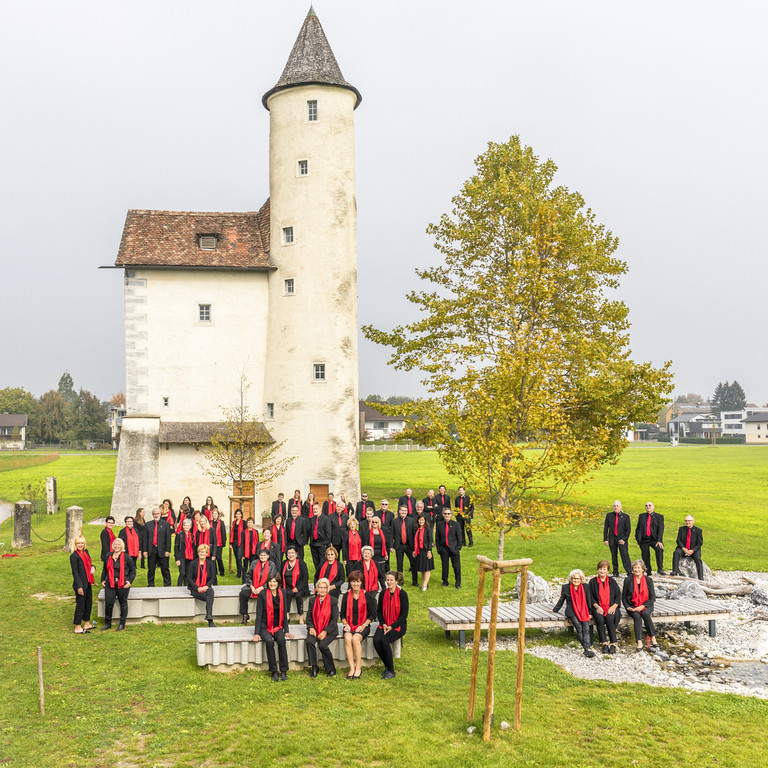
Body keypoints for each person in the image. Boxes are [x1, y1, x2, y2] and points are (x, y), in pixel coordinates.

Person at [252, 573, 294, 681]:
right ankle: (274, 671)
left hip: (278, 625)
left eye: (274, 581)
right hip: (265, 626)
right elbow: (259, 614)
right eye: (270, 581)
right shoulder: (262, 594)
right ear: (267, 583)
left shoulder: (283, 593)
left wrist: (286, 630)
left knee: (281, 640)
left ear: (278, 583)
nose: (272, 583)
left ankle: (283, 671)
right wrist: (256, 633)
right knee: (269, 642)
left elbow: (284, 612)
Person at [551, 569, 596, 658]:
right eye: (574, 579)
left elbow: (589, 600)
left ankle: (587, 648)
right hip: (571, 611)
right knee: (579, 627)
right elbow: (561, 600)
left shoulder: (585, 587)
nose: (576, 580)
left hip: (583, 610)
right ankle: (587, 649)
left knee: (586, 628)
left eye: (578, 579)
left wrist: (590, 612)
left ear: (581, 579)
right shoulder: (566, 588)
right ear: (571, 579)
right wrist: (555, 609)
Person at [341, 570, 376, 679]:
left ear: (361, 582)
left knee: (355, 639)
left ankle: (358, 668)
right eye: (353, 581)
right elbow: (342, 615)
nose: (355, 584)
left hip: (363, 625)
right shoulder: (346, 596)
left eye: (358, 582)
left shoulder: (368, 596)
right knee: (347, 637)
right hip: (350, 624)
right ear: (350, 583)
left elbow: (372, 615)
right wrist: (345, 624)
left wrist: (364, 625)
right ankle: (351, 668)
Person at [374, 571, 409, 679]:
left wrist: (392, 626)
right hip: (384, 623)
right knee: (376, 640)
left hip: (398, 625)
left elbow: (404, 615)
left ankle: (391, 670)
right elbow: (379, 611)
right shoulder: (383, 593)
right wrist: (383, 624)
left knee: (384, 640)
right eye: (387, 580)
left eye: (391, 580)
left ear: (396, 581)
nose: (388, 582)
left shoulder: (403, 594)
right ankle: (387, 666)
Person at [100, 537, 136, 631]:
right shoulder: (108, 556)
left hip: (122, 584)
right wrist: (102, 579)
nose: (116, 546)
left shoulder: (127, 557)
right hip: (110, 583)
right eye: (115, 544)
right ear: (113, 546)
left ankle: (122, 624)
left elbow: (133, 570)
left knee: (123, 603)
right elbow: (105, 569)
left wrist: (130, 581)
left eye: (118, 544)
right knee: (109, 603)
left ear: (121, 546)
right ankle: (107, 623)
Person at [622, 559, 658, 651]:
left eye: (638, 568)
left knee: (645, 614)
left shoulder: (648, 580)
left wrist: (642, 606)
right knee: (637, 617)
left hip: (646, 604)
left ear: (643, 569)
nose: (636, 570)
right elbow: (624, 597)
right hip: (632, 605)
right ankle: (639, 641)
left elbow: (652, 598)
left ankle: (653, 637)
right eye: (635, 568)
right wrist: (627, 607)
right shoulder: (628, 580)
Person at [306, 577, 339, 677]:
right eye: (320, 587)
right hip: (315, 628)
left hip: (329, 630)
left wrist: (325, 631)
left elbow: (334, 620)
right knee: (310, 642)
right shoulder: (312, 601)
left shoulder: (333, 601)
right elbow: (308, 617)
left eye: (325, 587)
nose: (322, 590)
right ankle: (314, 667)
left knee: (322, 645)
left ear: (328, 589)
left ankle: (331, 668)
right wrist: (311, 628)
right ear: (317, 589)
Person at [587, 560, 621, 654]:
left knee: (610, 618)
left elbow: (618, 596)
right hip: (598, 607)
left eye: (604, 569)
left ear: (608, 571)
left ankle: (613, 643)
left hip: (611, 606)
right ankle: (604, 643)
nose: (602, 571)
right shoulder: (593, 582)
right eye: (600, 569)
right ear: (598, 570)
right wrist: (597, 606)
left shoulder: (612, 582)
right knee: (599, 619)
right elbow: (590, 597)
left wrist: (614, 607)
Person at [240, 549, 275, 623]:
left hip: (265, 587)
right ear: (259, 556)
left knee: (264, 596)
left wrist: (261, 588)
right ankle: (245, 615)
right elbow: (248, 575)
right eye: (261, 555)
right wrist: (251, 586)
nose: (262, 557)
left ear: (268, 556)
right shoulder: (254, 563)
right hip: (253, 586)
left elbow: (272, 579)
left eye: (264, 555)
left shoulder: (271, 565)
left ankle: (263, 617)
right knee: (243, 594)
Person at [70, 535, 96, 634]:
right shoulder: (74, 556)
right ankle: (77, 626)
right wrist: (79, 586)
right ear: (75, 545)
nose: (80, 545)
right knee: (80, 605)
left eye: (82, 543)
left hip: (88, 582)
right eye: (78, 543)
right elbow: (75, 573)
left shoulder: (86, 552)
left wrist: (93, 567)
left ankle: (87, 623)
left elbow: (89, 564)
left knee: (88, 603)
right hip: (80, 584)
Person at [187, 544, 217, 627]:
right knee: (210, 597)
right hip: (195, 588)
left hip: (205, 587)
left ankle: (209, 616)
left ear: (207, 553)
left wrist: (206, 586)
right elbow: (189, 578)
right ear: (198, 553)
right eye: (200, 552)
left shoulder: (210, 564)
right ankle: (210, 619)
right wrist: (197, 588)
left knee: (210, 590)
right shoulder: (193, 563)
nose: (202, 554)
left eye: (204, 552)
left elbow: (212, 578)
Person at [603, 500, 632, 576]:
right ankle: (615, 572)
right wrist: (605, 539)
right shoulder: (609, 515)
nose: (616, 507)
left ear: (621, 507)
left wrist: (624, 539)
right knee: (614, 556)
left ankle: (629, 572)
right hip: (612, 539)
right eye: (614, 506)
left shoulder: (625, 516)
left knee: (625, 555)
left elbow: (628, 530)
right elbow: (606, 528)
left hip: (622, 539)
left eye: (617, 506)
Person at [144, 507, 172, 587]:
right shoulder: (148, 525)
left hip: (163, 550)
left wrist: (168, 550)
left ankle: (167, 585)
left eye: (157, 514)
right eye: (154, 514)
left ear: (160, 514)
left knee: (165, 569)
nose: (156, 515)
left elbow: (168, 539)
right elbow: (145, 539)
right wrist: (145, 550)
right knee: (151, 569)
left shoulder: (166, 524)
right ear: (152, 515)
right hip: (151, 550)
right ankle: (150, 585)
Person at [635, 502, 665, 575]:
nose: (648, 507)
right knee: (645, 554)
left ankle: (660, 568)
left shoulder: (659, 517)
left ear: (653, 507)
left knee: (659, 549)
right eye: (646, 506)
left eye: (649, 505)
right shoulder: (641, 516)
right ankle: (648, 570)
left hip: (654, 539)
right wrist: (638, 539)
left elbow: (661, 529)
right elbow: (638, 528)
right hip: (644, 539)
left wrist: (659, 540)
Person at [435, 507, 462, 588]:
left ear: (451, 515)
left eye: (448, 514)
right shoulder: (439, 525)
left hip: (453, 549)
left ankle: (458, 583)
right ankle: (445, 581)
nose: (447, 515)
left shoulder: (456, 524)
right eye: (445, 514)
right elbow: (437, 538)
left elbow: (460, 538)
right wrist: (439, 548)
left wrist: (458, 548)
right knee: (445, 566)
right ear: (443, 515)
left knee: (456, 567)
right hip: (444, 549)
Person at [282, 545, 310, 622]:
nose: (291, 555)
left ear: (296, 554)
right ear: (286, 555)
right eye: (289, 553)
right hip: (288, 586)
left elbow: (305, 577)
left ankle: (300, 616)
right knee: (286, 593)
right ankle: (287, 614)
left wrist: (298, 588)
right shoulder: (284, 563)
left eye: (292, 553)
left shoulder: (301, 563)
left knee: (298, 595)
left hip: (300, 586)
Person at [672, 515, 704, 579]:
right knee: (676, 553)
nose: (687, 522)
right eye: (686, 521)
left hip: (694, 549)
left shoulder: (698, 531)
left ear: (693, 521)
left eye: (689, 521)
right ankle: (675, 571)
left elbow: (700, 542)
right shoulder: (681, 529)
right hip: (683, 548)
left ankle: (701, 577)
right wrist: (683, 548)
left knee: (698, 559)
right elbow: (678, 540)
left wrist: (692, 550)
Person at [392, 505, 417, 586]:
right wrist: (391, 546)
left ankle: (415, 581)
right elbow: (391, 535)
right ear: (399, 511)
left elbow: (414, 534)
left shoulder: (412, 521)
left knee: (413, 563)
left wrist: (415, 547)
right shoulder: (394, 521)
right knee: (399, 565)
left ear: (407, 512)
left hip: (409, 546)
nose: (403, 512)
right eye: (402, 510)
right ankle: (400, 581)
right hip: (399, 545)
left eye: (405, 511)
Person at [411, 513, 434, 591]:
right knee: (422, 568)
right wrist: (414, 550)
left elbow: (430, 540)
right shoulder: (416, 529)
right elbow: (415, 541)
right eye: (420, 520)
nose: (421, 521)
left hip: (426, 550)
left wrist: (429, 551)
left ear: (425, 521)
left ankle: (424, 584)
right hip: (419, 551)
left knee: (427, 568)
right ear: (418, 520)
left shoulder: (428, 529)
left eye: (422, 520)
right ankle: (425, 583)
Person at [367, 516, 389, 588]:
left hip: (381, 554)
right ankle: (373, 587)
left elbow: (384, 544)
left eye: (376, 522)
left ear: (378, 523)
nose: (374, 524)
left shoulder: (382, 532)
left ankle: (384, 588)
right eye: (373, 522)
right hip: (372, 555)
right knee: (372, 572)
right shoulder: (368, 532)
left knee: (382, 573)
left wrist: (386, 553)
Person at [174, 517, 197, 586]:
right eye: (185, 525)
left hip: (190, 557)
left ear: (190, 526)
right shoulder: (179, 535)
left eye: (188, 525)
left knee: (188, 573)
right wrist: (177, 559)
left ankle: (186, 586)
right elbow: (176, 548)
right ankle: (179, 586)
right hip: (182, 557)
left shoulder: (192, 536)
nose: (187, 527)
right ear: (183, 526)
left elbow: (194, 547)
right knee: (182, 573)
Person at [309, 507, 332, 572]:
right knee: (316, 561)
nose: (315, 510)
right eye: (313, 509)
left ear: (320, 509)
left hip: (322, 543)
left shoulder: (326, 519)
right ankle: (318, 575)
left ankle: (323, 575)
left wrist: (325, 543)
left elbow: (328, 533)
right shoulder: (312, 519)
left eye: (316, 509)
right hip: (313, 544)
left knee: (322, 562)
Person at [210, 507, 227, 577]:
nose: (214, 515)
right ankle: (215, 571)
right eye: (213, 514)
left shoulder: (221, 523)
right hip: (212, 543)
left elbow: (223, 533)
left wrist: (223, 543)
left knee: (218, 558)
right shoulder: (209, 522)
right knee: (212, 558)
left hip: (219, 543)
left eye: (216, 514)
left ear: (218, 515)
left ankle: (222, 571)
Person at [230, 508, 245, 578]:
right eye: (236, 514)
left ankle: (240, 572)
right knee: (236, 558)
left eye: (239, 514)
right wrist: (230, 543)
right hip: (234, 542)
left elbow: (245, 534)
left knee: (239, 557)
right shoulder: (234, 522)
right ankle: (239, 571)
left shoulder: (244, 523)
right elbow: (232, 532)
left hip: (240, 543)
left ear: (241, 515)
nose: (238, 515)